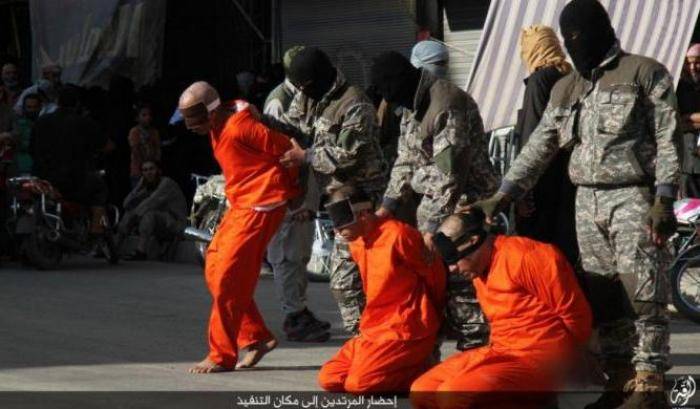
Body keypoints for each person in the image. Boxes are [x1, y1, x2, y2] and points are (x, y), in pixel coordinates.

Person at [475, 1, 680, 407]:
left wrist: (665, 197)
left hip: (633, 196)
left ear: (601, 30)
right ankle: (620, 379)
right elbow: (540, 145)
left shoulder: (643, 73)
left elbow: (668, 139)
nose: (573, 45)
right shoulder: (567, 87)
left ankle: (650, 384)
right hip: (585, 201)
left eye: (579, 35)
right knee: (603, 295)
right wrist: (504, 193)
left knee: (644, 292)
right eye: (567, 38)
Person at [371, 51, 498, 352]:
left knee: (463, 285)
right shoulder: (411, 105)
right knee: (435, 287)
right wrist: (388, 205)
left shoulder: (445, 104)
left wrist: (431, 228)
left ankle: (476, 353)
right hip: (435, 208)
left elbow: (450, 176)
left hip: (465, 209)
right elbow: (406, 159)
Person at [411, 208, 592, 409]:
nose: (452, 269)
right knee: (422, 391)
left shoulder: (528, 256)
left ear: (473, 241)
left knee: (453, 396)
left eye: (455, 260)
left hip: (541, 359)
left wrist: (572, 366)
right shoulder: (478, 268)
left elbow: (576, 315)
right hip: (501, 351)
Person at [179, 81, 299, 373]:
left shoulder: (241, 127)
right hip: (241, 204)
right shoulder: (222, 119)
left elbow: (289, 149)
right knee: (214, 267)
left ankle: (221, 355)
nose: (193, 129)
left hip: (261, 205)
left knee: (228, 278)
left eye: (197, 122)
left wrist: (294, 192)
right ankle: (256, 337)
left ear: (212, 113)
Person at [280, 47, 387, 334]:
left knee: (357, 278)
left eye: (304, 86)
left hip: (364, 200)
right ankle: (364, 337)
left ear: (317, 79)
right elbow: (293, 127)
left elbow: (348, 155)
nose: (301, 93)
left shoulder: (355, 104)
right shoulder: (309, 96)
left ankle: (369, 336)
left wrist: (306, 156)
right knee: (347, 281)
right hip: (338, 198)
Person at [318, 188, 446, 393]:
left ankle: (425, 372)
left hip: (406, 329)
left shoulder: (399, 234)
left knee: (359, 384)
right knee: (330, 378)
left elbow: (435, 277)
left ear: (363, 214)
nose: (337, 231)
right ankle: (409, 368)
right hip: (373, 328)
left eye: (341, 223)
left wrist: (433, 324)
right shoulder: (356, 241)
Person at [263, 45, 330, 342]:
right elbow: (280, 155)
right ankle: (293, 314)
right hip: (290, 193)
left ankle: (299, 308)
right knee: (287, 255)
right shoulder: (279, 102)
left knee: (299, 253)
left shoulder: (305, 95)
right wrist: (295, 199)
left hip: (305, 188)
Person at [513, 25, 578, 265]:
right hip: (569, 183)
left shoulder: (539, 81)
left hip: (542, 187)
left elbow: (533, 138)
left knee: (539, 256)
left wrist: (521, 190)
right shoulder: (571, 78)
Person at [30, 85, 112, 234]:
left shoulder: (41, 121)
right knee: (99, 190)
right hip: (74, 179)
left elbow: (31, 149)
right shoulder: (84, 122)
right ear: (77, 103)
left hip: (43, 177)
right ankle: (96, 229)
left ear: (58, 102)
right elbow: (107, 146)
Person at [118, 160, 187, 260]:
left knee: (148, 215)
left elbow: (150, 202)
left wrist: (133, 218)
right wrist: (137, 187)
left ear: (158, 171)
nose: (148, 172)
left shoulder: (166, 183)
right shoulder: (148, 187)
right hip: (161, 224)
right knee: (129, 213)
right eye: (145, 170)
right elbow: (126, 204)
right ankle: (115, 248)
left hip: (176, 224)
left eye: (151, 169)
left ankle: (141, 252)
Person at [677, 43, 700, 198]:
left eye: (697, 62)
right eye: (688, 63)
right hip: (687, 158)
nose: (692, 67)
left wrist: (687, 118)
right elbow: (675, 121)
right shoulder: (679, 87)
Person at [128, 103, 161, 188]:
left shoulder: (154, 132)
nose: (148, 117)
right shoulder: (134, 131)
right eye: (144, 115)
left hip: (153, 170)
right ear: (137, 118)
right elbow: (135, 150)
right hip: (138, 172)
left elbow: (157, 149)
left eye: (149, 115)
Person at [9, 93, 43, 175]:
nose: (32, 110)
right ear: (24, 108)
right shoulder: (17, 125)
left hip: (40, 167)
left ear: (40, 107)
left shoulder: (45, 124)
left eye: (35, 107)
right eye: (29, 107)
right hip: (21, 166)